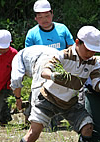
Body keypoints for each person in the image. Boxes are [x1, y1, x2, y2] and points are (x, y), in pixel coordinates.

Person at [16, 26, 100, 142]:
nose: (91, 54)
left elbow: (96, 83)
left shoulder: (93, 63)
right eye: (88, 49)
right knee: (33, 133)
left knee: (88, 127)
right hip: (48, 99)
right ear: (77, 42)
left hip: (70, 103)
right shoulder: (62, 55)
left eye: (94, 51)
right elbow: (44, 71)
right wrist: (54, 76)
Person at [24, 0, 75, 129]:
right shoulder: (32, 34)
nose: (44, 20)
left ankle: (58, 119)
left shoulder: (62, 29)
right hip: (40, 71)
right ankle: (32, 118)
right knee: (37, 96)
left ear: (52, 14)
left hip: (60, 69)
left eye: (47, 16)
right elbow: (29, 55)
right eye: (40, 17)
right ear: (35, 18)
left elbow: (71, 48)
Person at [10, 45, 61, 116]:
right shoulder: (28, 52)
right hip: (59, 56)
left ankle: (38, 123)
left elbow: (16, 79)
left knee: (37, 99)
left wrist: (18, 99)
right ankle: (54, 120)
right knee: (55, 93)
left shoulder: (17, 58)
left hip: (42, 61)